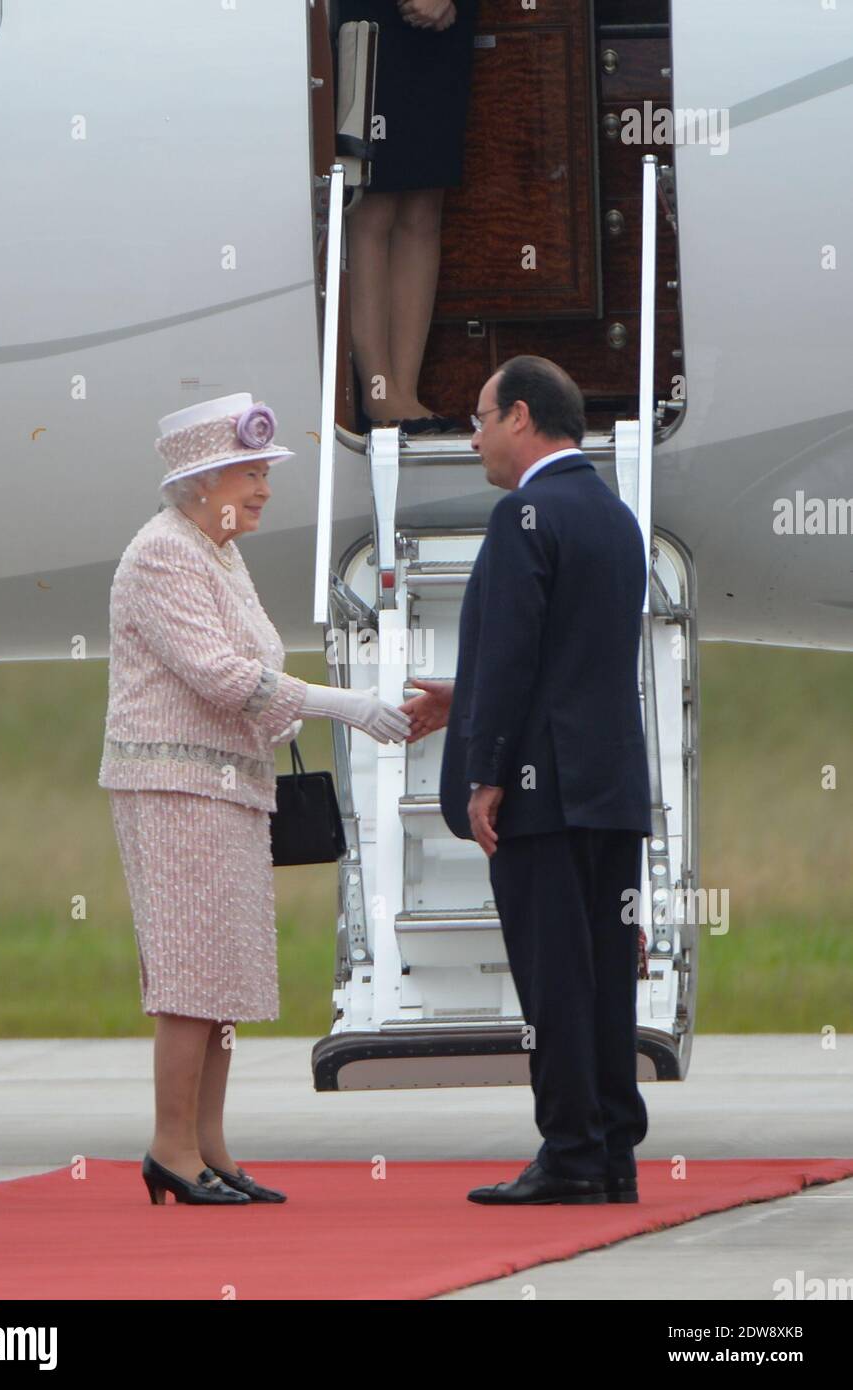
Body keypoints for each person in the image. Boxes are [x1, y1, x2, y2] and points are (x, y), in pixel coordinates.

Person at [99, 391, 410, 1206]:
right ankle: (171, 1148)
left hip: (228, 785)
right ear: (200, 481)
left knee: (223, 973)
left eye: (264, 470)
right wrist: (343, 705)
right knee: (187, 975)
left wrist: (313, 701)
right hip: (173, 785)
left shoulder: (216, 549)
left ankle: (209, 1147)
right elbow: (222, 675)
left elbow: (250, 669)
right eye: (249, 470)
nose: (265, 486)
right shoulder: (164, 553)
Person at [400, 356, 652, 1205]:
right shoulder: (615, 517)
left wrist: (484, 770)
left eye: (477, 419)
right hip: (609, 789)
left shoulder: (522, 517)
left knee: (552, 979)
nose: (470, 438)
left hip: (541, 796)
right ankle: (612, 1149)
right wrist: (465, 697)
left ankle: (570, 1153)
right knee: (604, 971)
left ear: (517, 416)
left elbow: (513, 653)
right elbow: (569, 660)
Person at [333, 0, 479, 433]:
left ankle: (405, 394)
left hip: (447, 21)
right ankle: (378, 394)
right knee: (374, 200)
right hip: (373, 16)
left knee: (423, 204)